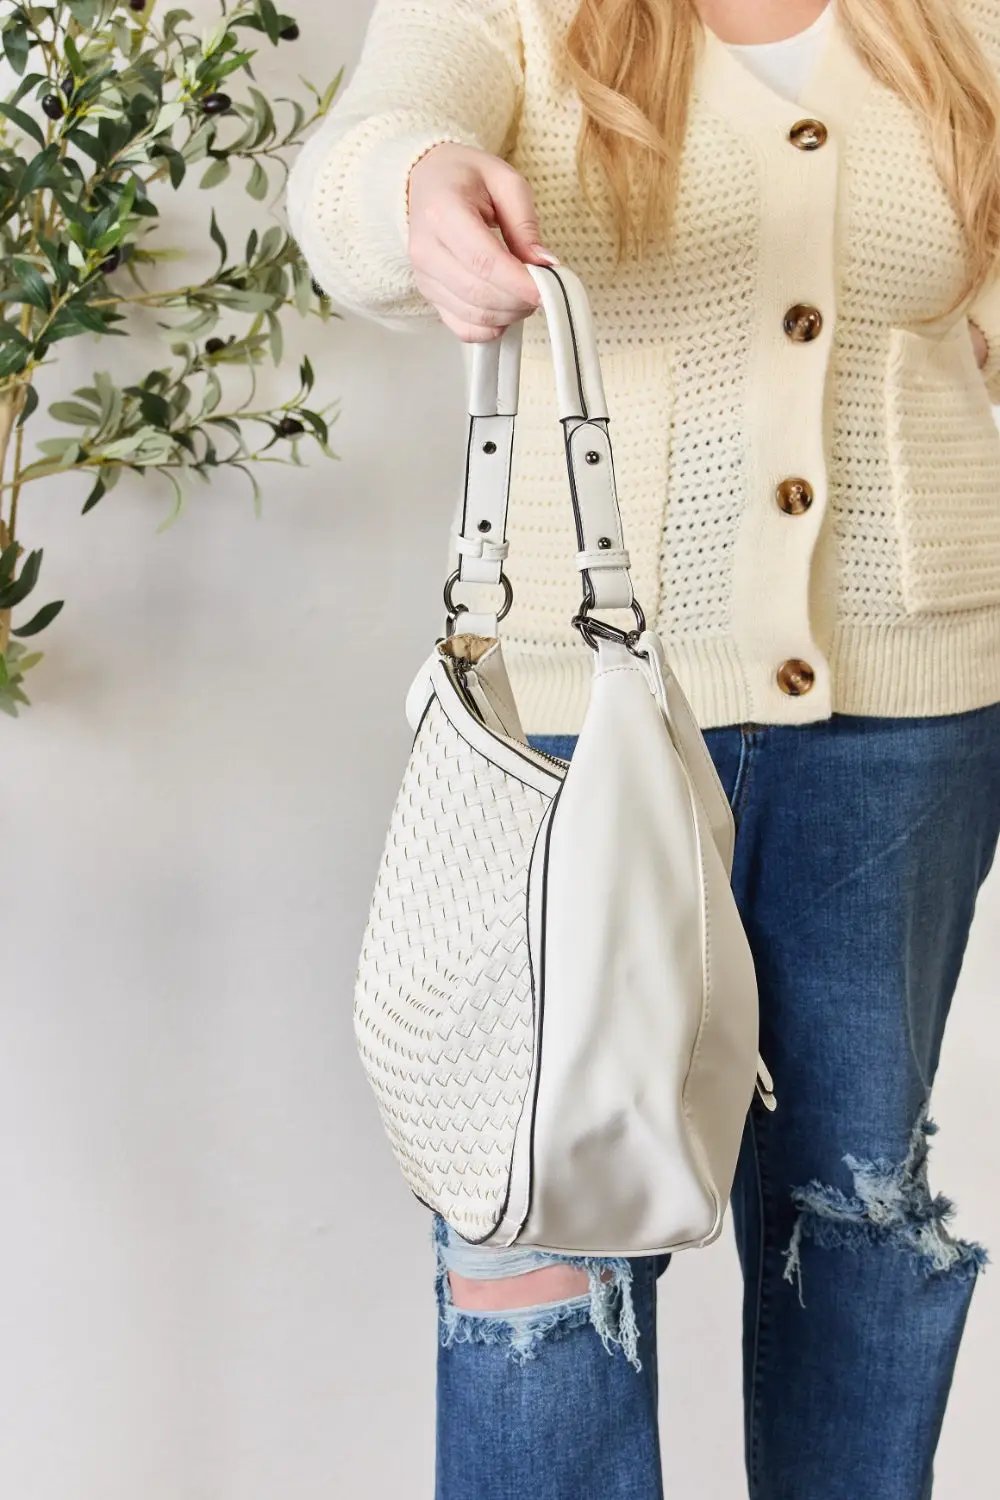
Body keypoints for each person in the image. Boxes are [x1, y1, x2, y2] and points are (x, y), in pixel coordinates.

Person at [286, 2, 1000, 1495]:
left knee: (856, 1219)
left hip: (907, 718)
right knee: (535, 1240)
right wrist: (416, 191)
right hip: (567, 742)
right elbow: (359, 163)